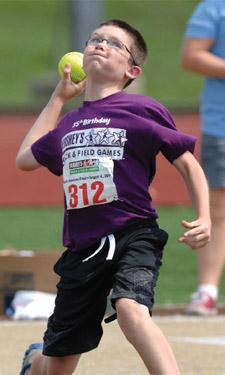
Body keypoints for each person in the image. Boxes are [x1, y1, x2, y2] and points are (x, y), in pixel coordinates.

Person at [17, 19, 210, 375]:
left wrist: (205, 216)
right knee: (57, 365)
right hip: (82, 248)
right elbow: (25, 158)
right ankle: (34, 361)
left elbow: (188, 164)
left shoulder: (142, 110)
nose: (99, 44)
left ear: (131, 70)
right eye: (94, 39)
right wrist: (58, 98)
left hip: (134, 233)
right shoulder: (70, 123)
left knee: (130, 309)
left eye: (113, 43)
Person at [181, 0, 225, 316]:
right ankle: (207, 291)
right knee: (219, 209)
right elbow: (191, 55)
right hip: (221, 123)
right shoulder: (214, 7)